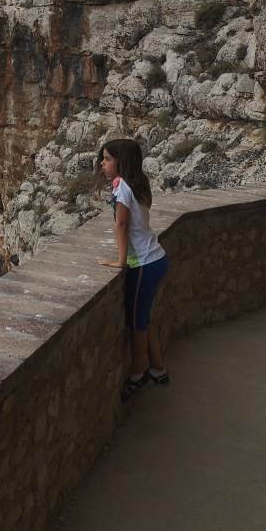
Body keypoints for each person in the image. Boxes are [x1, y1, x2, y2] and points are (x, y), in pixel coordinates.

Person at [96, 138, 170, 401]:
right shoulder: (139, 182)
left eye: (107, 159)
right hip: (157, 258)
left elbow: (122, 225)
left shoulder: (120, 185)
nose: (102, 164)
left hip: (143, 264)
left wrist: (120, 261)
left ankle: (138, 375)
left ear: (122, 162)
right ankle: (158, 369)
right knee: (144, 317)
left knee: (136, 324)